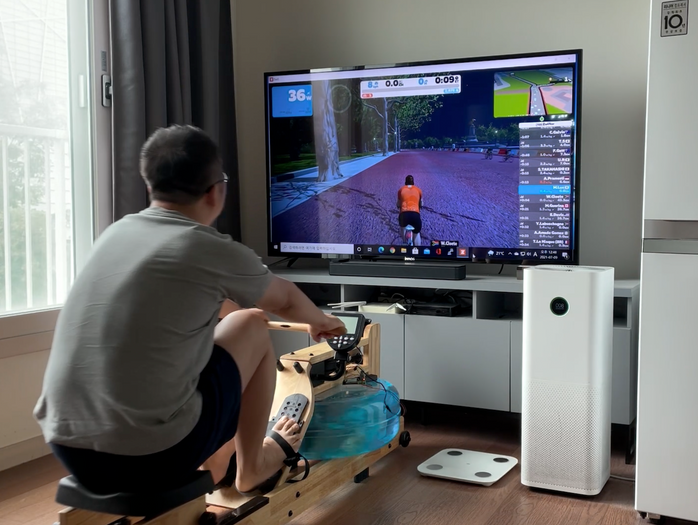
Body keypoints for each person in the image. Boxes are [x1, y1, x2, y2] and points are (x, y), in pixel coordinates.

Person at [33, 125, 346, 497]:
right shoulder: (206, 247)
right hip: (149, 457)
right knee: (252, 323)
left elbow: (207, 304)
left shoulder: (115, 234)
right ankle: (253, 466)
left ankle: (216, 458)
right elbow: (285, 300)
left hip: (68, 449)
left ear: (149, 186)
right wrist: (321, 321)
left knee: (228, 325)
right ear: (216, 191)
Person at [397, 174, 422, 246]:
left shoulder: (401, 190)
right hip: (415, 215)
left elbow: (398, 204)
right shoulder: (418, 190)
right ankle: (417, 250)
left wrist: (399, 206)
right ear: (413, 182)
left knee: (402, 228)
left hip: (404, 214)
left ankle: (404, 241)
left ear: (405, 182)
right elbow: (421, 203)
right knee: (416, 234)